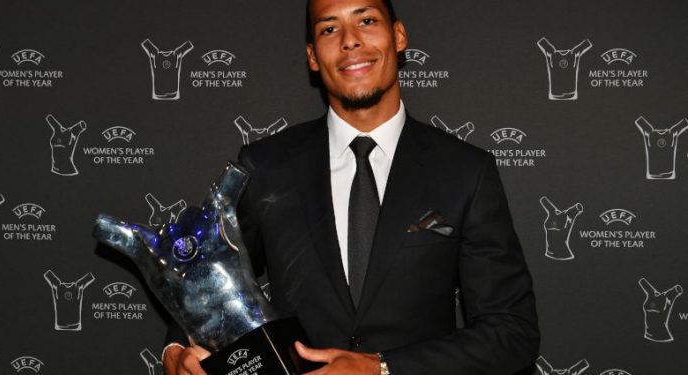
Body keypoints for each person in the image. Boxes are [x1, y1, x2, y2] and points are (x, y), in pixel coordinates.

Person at [164, 0, 540, 374]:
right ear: (313, 56)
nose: (349, 41)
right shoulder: (266, 166)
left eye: (366, 20)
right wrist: (177, 348)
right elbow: (206, 278)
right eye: (329, 29)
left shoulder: (464, 171)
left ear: (398, 36)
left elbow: (511, 332)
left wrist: (381, 368)